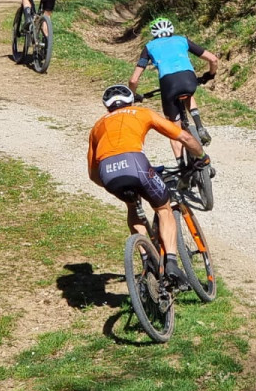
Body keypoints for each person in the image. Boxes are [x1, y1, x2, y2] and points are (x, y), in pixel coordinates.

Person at [88, 84, 207, 284]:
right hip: (137, 165)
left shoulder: (97, 126)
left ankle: (146, 258)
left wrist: (117, 182)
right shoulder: (141, 112)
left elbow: (93, 174)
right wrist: (202, 157)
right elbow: (184, 136)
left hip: (108, 173)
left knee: (132, 205)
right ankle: (171, 263)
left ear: (107, 107)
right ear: (130, 101)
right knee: (163, 208)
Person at [128, 17, 217, 157]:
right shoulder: (182, 40)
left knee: (175, 131)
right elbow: (213, 59)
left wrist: (133, 95)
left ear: (154, 33)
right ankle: (199, 125)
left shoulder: (149, 47)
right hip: (188, 79)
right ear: (171, 30)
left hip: (169, 84)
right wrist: (210, 75)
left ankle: (181, 166)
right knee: (188, 93)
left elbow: (133, 80)